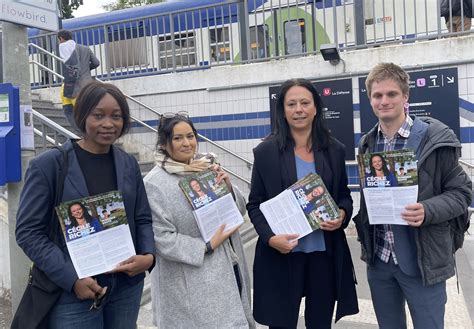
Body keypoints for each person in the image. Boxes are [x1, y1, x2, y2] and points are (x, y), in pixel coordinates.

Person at [16, 81, 156, 329]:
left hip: (125, 287)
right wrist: (72, 279)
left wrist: (148, 256)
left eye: (116, 116)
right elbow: (28, 233)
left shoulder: (128, 164)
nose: (108, 124)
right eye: (98, 115)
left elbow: (142, 217)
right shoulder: (49, 166)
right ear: (82, 115)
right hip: (73, 292)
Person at [354, 62, 472, 329]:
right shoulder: (367, 144)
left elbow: (462, 192)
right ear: (370, 99)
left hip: (422, 262)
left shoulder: (435, 138)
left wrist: (427, 209)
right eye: (377, 95)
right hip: (381, 261)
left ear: (405, 96)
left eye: (391, 94)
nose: (384, 101)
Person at [247, 78, 358, 328]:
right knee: (281, 323)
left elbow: (343, 195)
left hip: (323, 255)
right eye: (292, 104)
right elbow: (254, 204)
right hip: (283, 253)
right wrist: (270, 238)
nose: (299, 109)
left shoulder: (334, 149)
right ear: (283, 111)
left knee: (320, 323)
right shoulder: (266, 152)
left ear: (316, 108)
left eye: (305, 103)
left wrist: (341, 214)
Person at [143, 113, 255, 328]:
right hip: (190, 279)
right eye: (177, 138)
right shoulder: (154, 183)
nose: (187, 143)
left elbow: (238, 211)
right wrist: (206, 246)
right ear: (164, 143)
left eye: (190, 136)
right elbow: (161, 239)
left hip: (229, 265)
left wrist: (228, 187)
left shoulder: (206, 167)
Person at [58, 29, 100, 134]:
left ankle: (81, 131)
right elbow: (96, 62)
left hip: (72, 84)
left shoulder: (64, 47)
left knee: (68, 110)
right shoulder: (86, 48)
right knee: (87, 109)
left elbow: (71, 65)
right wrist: (86, 71)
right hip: (88, 84)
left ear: (61, 38)